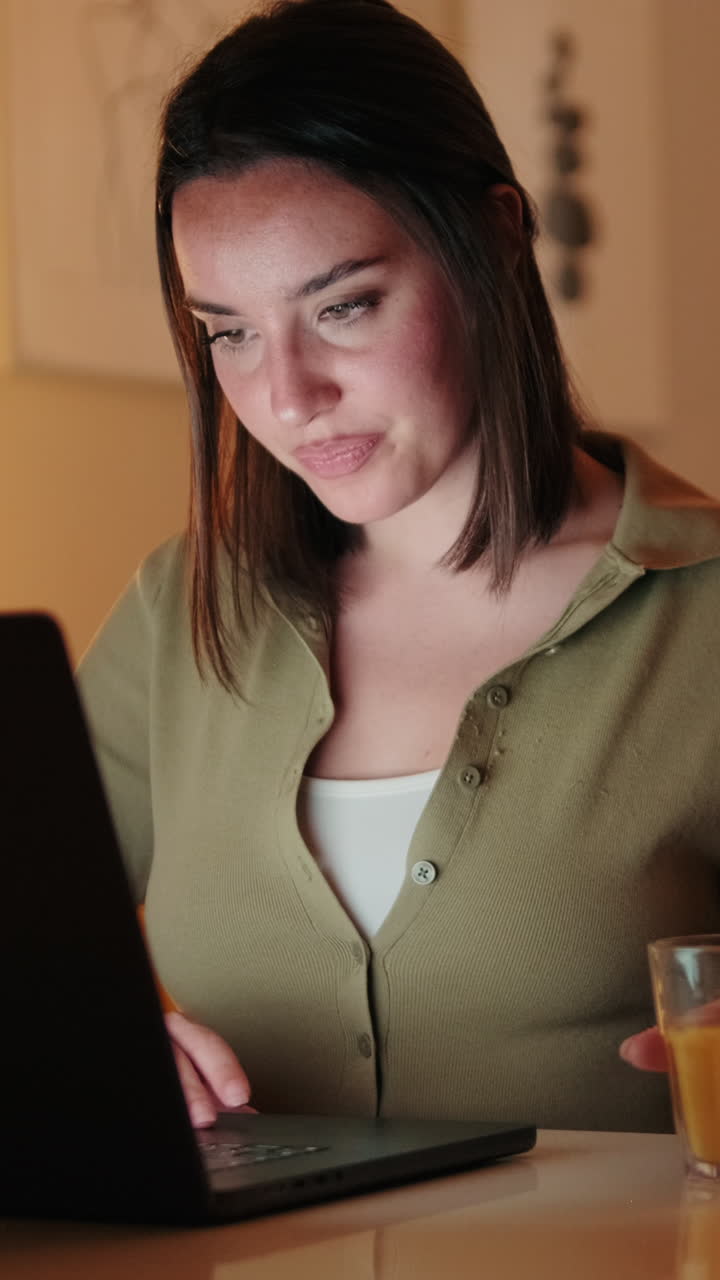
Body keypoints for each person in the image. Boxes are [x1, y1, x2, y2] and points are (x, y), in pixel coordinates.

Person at [77, 0, 720, 1134]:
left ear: (496, 236)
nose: (287, 395)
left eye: (345, 305)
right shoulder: (182, 612)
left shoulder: (703, 612)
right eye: (228, 331)